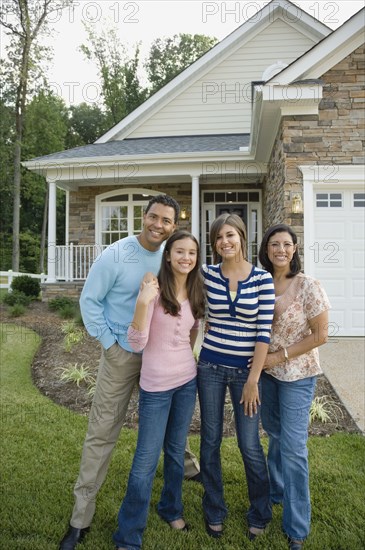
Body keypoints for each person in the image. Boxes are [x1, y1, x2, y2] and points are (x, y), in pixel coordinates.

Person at [59, 196, 200, 550]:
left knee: (169, 422)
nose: (159, 225)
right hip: (123, 352)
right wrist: (109, 343)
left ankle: (188, 468)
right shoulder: (116, 255)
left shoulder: (173, 254)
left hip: (163, 358)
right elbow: (89, 300)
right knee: (102, 432)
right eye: (153, 217)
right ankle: (80, 518)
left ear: (173, 225)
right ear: (144, 216)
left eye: (167, 221)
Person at [113, 230, 205, 550]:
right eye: (180, 252)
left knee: (177, 454)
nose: (185, 258)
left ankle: (170, 507)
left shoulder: (196, 290)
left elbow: (191, 334)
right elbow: (137, 341)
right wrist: (142, 302)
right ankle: (128, 533)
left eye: (191, 253)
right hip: (155, 387)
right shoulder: (153, 287)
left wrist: (183, 361)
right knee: (145, 461)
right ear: (168, 255)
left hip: (186, 382)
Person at [197, 213, 275, 541]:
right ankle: (214, 509)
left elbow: (263, 334)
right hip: (210, 368)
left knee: (249, 444)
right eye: (218, 238)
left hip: (246, 373)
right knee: (210, 441)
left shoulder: (262, 279)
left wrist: (254, 379)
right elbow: (189, 306)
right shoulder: (205, 274)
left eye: (230, 235)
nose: (224, 242)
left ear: (242, 236)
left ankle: (260, 510)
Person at [258, 224, 331, 550]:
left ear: (295, 248)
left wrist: (280, 356)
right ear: (267, 249)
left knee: (294, 448)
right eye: (274, 244)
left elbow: (320, 335)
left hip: (298, 374)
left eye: (286, 244)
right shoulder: (259, 282)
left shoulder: (308, 286)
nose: (280, 250)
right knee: (274, 433)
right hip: (267, 375)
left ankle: (297, 527)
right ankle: (277, 491)